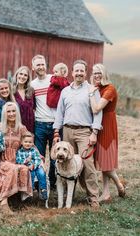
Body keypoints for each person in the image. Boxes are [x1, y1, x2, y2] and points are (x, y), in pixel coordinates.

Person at [53, 59, 103, 208]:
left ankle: (93, 198)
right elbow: (59, 112)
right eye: (77, 70)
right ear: (72, 72)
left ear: (85, 73)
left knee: (87, 165)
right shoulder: (65, 91)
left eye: (82, 70)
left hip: (84, 132)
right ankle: (69, 197)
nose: (79, 73)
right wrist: (57, 131)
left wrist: (94, 132)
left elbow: (98, 113)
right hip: (67, 130)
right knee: (67, 163)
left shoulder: (92, 90)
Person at [0, 102, 33, 214]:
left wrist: (38, 157)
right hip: (0, 159)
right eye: (8, 111)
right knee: (12, 168)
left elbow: (30, 143)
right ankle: (4, 203)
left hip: (16, 160)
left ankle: (0, 200)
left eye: (13, 111)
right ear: (4, 113)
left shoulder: (21, 128)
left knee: (23, 168)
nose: (11, 114)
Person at [89, 63, 126, 202]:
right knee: (103, 161)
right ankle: (106, 193)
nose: (96, 75)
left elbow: (96, 108)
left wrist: (91, 93)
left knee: (106, 160)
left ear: (104, 74)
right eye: (94, 73)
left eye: (99, 72)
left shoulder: (109, 89)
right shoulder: (96, 88)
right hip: (97, 125)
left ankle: (118, 184)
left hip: (107, 124)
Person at [30, 55, 56, 189]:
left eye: (42, 64)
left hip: (55, 123)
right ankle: (39, 182)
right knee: (39, 156)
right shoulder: (32, 85)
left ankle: (52, 182)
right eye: (37, 65)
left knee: (54, 156)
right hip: (39, 124)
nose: (40, 67)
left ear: (46, 65)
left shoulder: (53, 80)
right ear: (33, 67)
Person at [16, 131, 47, 200]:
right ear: (21, 142)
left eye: (30, 142)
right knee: (31, 175)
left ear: (33, 143)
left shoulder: (34, 150)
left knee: (42, 173)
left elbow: (38, 159)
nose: (28, 144)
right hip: (27, 167)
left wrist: (34, 165)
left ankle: (43, 189)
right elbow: (18, 160)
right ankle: (31, 190)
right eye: (26, 142)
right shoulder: (20, 152)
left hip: (36, 166)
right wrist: (26, 161)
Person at [12, 66, 35, 133]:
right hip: (16, 126)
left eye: (25, 75)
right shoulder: (11, 91)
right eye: (21, 74)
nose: (22, 77)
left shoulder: (31, 91)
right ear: (17, 75)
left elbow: (33, 109)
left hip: (30, 126)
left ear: (28, 78)